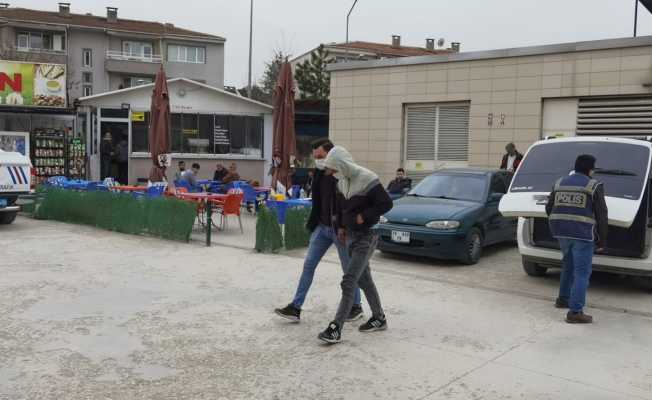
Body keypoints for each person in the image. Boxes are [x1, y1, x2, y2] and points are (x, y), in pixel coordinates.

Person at [275, 139, 364, 322]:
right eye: (315, 157)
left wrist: (345, 226)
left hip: (340, 230)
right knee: (308, 265)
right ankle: (295, 307)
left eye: (320, 156)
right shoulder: (318, 173)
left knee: (349, 270)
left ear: (331, 154)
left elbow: (350, 203)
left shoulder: (342, 175)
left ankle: (356, 306)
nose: (318, 160)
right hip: (322, 228)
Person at [318, 146, 393, 344]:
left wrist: (364, 216)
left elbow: (386, 204)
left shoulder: (367, 178)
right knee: (364, 280)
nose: (332, 174)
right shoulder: (342, 181)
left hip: (367, 235)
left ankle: (336, 328)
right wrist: (341, 227)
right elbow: (341, 207)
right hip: (350, 235)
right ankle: (379, 318)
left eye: (334, 169)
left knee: (349, 280)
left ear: (343, 165)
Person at [546, 154, 608, 324]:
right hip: (583, 234)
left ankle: (563, 299)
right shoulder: (594, 185)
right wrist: (602, 240)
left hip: (561, 233)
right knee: (582, 273)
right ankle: (575, 312)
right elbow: (602, 214)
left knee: (568, 265)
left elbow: (549, 207)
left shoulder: (559, 182)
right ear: (590, 169)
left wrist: (560, 223)